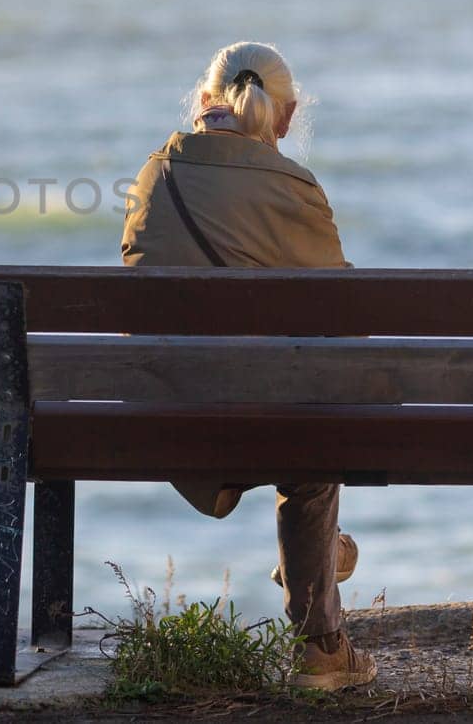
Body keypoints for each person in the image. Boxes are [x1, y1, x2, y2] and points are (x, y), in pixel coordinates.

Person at [119, 40, 376, 691]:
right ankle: (319, 646)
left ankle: (317, 575)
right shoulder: (295, 186)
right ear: (284, 119)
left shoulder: (154, 177)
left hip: (167, 418)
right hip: (271, 422)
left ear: (204, 102)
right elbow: (344, 318)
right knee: (312, 416)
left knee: (290, 397)